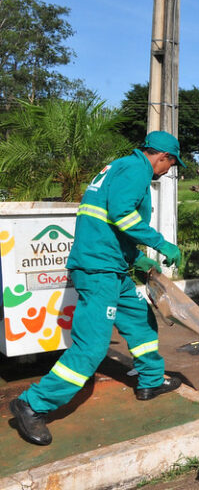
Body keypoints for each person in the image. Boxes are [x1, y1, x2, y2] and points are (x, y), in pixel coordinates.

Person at [10, 131, 186, 446]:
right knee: (91, 347)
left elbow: (106, 223)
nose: (168, 170)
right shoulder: (137, 170)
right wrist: (160, 243)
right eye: (170, 165)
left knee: (140, 319)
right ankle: (32, 404)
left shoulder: (120, 168)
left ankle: (150, 380)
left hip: (111, 266)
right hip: (99, 270)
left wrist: (138, 259)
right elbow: (122, 215)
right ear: (163, 157)